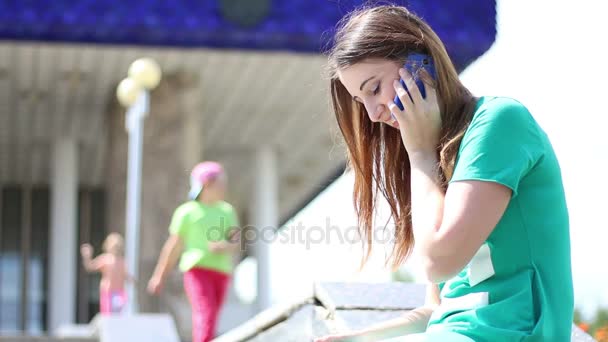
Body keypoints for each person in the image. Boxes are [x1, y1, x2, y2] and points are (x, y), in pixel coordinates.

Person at [316, 5, 573, 342]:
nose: (373, 113)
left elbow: (440, 261)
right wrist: (357, 339)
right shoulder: (441, 157)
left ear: (419, 62)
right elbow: (438, 309)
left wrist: (420, 155)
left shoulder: (500, 122)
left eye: (374, 88)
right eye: (360, 100)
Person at [147, 161, 241, 342]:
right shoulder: (186, 213)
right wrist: (159, 276)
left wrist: (224, 245)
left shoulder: (227, 211)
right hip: (196, 270)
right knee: (206, 311)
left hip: (221, 272)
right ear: (207, 184)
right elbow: (173, 246)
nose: (224, 187)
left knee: (212, 316)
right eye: (220, 183)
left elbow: (235, 240)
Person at [80, 232, 130, 315]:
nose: (116, 248)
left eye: (117, 246)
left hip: (120, 293)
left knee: (119, 315)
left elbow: (126, 275)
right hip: (108, 293)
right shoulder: (105, 259)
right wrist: (87, 257)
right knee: (108, 315)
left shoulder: (122, 261)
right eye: (114, 245)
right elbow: (90, 267)